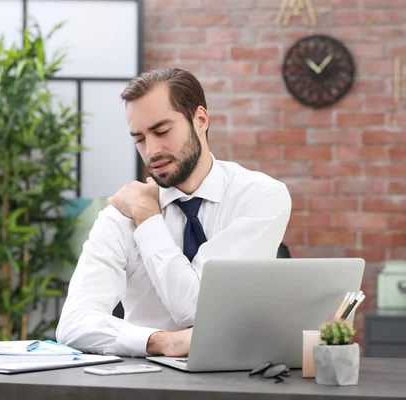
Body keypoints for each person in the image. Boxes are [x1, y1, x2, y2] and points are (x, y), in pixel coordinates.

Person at [55, 68, 292, 358]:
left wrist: (147, 218)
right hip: (145, 384)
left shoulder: (259, 196)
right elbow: (73, 324)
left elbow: (197, 310)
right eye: (139, 139)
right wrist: (162, 342)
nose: (151, 150)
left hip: (235, 382)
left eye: (161, 131)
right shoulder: (120, 215)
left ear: (200, 120)